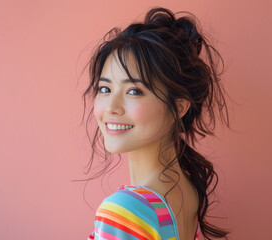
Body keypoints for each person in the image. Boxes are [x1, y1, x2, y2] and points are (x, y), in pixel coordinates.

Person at [77, 6, 232, 240]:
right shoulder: (187, 190)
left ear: (179, 107)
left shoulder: (127, 210)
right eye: (105, 88)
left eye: (134, 91)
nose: (111, 107)